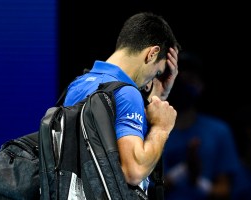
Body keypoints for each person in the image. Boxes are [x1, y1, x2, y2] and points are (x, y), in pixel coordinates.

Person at [63, 12, 181, 196]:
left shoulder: (78, 84)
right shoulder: (127, 93)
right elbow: (134, 172)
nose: (150, 83)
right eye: (157, 73)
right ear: (152, 53)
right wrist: (162, 127)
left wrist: (159, 95)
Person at [163, 51, 241, 200]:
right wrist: (184, 170)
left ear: (201, 85)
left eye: (191, 78)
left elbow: (224, 190)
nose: (185, 83)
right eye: (179, 78)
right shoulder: (149, 130)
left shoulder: (219, 131)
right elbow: (140, 188)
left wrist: (196, 181)